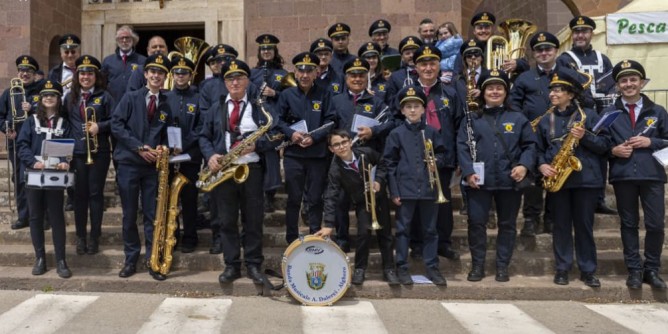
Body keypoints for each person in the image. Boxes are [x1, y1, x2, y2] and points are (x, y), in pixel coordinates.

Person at [199, 59, 278, 284]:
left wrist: (258, 145)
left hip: (251, 169)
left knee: (253, 220)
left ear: (247, 81)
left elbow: (275, 135)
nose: (235, 82)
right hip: (224, 170)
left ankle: (253, 264)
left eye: (239, 78)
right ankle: (232, 265)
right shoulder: (217, 108)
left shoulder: (260, 107)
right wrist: (211, 156)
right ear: (225, 83)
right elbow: (203, 136)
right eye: (230, 79)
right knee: (226, 220)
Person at [457, 70, 535, 282]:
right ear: (482, 92)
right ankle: (477, 266)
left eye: (499, 87)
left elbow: (530, 145)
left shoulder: (518, 118)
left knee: (508, 224)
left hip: (509, 180)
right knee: (476, 224)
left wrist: (524, 166)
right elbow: (462, 146)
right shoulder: (471, 119)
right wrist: (468, 171)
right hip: (478, 182)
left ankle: (502, 266)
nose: (494, 91)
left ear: (506, 92)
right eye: (490, 88)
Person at [510, 32, 587, 236]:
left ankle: (552, 218)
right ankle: (530, 218)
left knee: (557, 172)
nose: (544, 53)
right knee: (534, 175)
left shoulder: (568, 73)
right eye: (539, 50)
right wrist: (523, 124)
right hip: (531, 132)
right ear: (534, 54)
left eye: (548, 49)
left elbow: (583, 98)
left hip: (561, 132)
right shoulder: (524, 78)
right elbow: (514, 104)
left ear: (556, 51)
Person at [536, 70, 606, 287]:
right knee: (561, 226)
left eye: (558, 90)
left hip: (585, 180)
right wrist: (542, 165)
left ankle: (588, 270)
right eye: (552, 90)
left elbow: (605, 146)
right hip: (559, 179)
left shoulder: (589, 116)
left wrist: (585, 137)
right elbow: (537, 149)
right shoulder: (546, 119)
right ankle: (562, 268)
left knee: (584, 226)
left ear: (571, 94)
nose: (553, 94)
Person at [606, 59, 668, 290]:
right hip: (623, 176)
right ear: (617, 85)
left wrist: (651, 141)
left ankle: (651, 269)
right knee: (629, 225)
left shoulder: (658, 111)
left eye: (633, 79)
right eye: (623, 80)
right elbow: (600, 142)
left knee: (655, 225)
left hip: (652, 175)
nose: (629, 84)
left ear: (642, 82)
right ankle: (633, 269)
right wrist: (612, 150)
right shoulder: (610, 113)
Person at [111, 54, 172, 281]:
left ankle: (153, 259)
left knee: (152, 215)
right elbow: (116, 125)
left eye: (161, 72)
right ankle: (130, 259)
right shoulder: (130, 97)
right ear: (145, 74)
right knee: (129, 215)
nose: (156, 76)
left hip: (152, 167)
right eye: (152, 71)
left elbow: (168, 133)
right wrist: (139, 147)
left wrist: (164, 148)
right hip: (128, 163)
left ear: (165, 77)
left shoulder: (167, 103)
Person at [383, 85, 447, 286]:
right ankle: (401, 267)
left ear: (423, 109)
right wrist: (394, 190)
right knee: (403, 230)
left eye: (416, 106)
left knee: (430, 230)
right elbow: (389, 163)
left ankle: (432, 268)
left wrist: (436, 160)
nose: (412, 110)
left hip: (429, 189)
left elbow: (444, 154)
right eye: (408, 107)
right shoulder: (396, 133)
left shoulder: (432, 132)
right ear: (402, 110)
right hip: (405, 189)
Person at [317, 129, 399, 285]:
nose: (341, 147)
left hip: (379, 200)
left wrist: (379, 181)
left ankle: (389, 269)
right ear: (331, 149)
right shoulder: (335, 170)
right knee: (363, 235)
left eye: (344, 142)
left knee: (386, 235)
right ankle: (360, 269)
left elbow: (382, 164)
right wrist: (328, 224)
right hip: (362, 202)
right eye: (336, 145)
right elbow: (331, 197)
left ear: (349, 142)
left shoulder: (366, 153)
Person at [328, 57, 392, 252]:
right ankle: (343, 238)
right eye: (353, 75)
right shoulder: (336, 100)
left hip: (366, 160)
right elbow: (330, 124)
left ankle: (365, 239)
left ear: (367, 77)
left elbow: (390, 123)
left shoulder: (376, 101)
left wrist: (374, 132)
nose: (357, 79)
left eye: (361, 75)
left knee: (366, 203)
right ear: (346, 78)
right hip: (342, 160)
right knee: (340, 201)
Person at [556, 15, 617, 215]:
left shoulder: (602, 58)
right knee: (578, 152)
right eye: (577, 32)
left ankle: (599, 199)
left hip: (601, 112)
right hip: (579, 111)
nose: (581, 35)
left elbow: (611, 84)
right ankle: (578, 194)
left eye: (585, 31)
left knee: (601, 153)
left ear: (591, 33)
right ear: (572, 35)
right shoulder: (565, 58)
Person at [276, 52, 335, 244]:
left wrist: (315, 137)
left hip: (317, 154)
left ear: (316, 72)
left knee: (315, 198)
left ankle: (314, 236)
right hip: (293, 154)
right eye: (301, 70)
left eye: (309, 71)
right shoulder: (286, 95)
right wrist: (291, 134)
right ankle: (291, 238)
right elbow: (278, 120)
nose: (304, 75)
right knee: (294, 198)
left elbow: (331, 120)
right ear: (295, 72)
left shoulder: (324, 93)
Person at [16, 80, 72, 278]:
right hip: (34, 175)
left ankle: (61, 260)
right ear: (40, 98)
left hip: (54, 177)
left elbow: (67, 148)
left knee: (57, 217)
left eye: (53, 95)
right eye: (45, 95)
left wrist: (66, 161)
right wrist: (32, 162)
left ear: (58, 99)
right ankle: (40, 258)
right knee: (35, 217)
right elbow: (22, 145)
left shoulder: (64, 123)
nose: (49, 97)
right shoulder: (30, 121)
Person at [64, 55, 115, 256]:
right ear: (77, 76)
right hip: (77, 153)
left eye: (90, 73)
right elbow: (64, 122)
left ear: (96, 76)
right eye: (82, 73)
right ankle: (80, 237)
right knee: (79, 196)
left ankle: (95, 237)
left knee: (95, 195)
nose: (86, 76)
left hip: (99, 153)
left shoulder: (105, 96)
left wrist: (99, 126)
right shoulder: (70, 98)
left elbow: (116, 121)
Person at [164, 56, 202, 253]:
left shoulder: (197, 98)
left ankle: (190, 236)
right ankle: (172, 235)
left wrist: (184, 145)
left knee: (189, 198)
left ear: (190, 75)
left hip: (190, 157)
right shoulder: (165, 97)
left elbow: (201, 127)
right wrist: (168, 147)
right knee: (169, 199)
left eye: (184, 73)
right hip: (168, 158)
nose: (180, 76)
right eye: (177, 73)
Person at [0, 55, 42, 230]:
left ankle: (41, 216)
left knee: (40, 178)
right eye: (22, 71)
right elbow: (0, 116)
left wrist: (33, 109)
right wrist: (6, 129)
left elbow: (51, 113)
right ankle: (23, 216)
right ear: (18, 72)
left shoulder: (41, 91)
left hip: (36, 142)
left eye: (29, 71)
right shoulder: (9, 92)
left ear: (34, 74)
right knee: (20, 180)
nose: (25, 74)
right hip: (16, 142)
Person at [102, 25, 146, 103]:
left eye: (127, 37)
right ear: (117, 40)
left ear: (133, 40)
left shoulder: (142, 61)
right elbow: (102, 85)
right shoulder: (108, 61)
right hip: (113, 105)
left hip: (135, 104)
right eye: (121, 38)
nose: (124, 40)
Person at [250, 34, 288, 109]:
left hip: (277, 113)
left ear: (275, 51)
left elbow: (290, 97)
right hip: (257, 114)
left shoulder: (283, 74)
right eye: (263, 49)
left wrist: (275, 93)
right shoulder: (252, 73)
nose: (266, 51)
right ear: (260, 52)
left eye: (269, 49)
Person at [198, 44, 239, 114]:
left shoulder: (245, 83)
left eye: (226, 59)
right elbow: (204, 112)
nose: (222, 63)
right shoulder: (207, 86)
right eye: (219, 61)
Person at [383, 36, 423, 106]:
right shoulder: (395, 77)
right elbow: (391, 102)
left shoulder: (429, 72)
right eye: (407, 53)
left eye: (414, 52)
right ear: (402, 57)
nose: (411, 55)